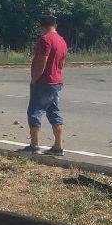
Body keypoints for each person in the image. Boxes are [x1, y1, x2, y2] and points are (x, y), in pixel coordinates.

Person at [21, 15, 69, 155]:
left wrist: (35, 78)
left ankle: (34, 145)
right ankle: (58, 146)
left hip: (44, 81)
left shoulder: (45, 40)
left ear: (42, 26)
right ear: (55, 25)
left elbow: (42, 61)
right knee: (54, 112)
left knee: (34, 112)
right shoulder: (61, 40)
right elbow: (62, 62)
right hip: (56, 80)